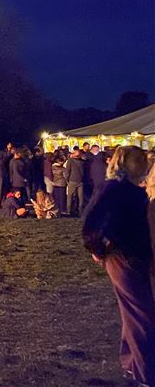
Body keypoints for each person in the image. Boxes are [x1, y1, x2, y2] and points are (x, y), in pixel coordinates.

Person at [83, 146, 155, 386]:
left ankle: (132, 365)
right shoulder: (112, 189)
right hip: (122, 257)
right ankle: (146, 374)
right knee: (141, 316)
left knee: (135, 312)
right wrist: (99, 250)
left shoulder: (134, 190)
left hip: (137, 257)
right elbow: (91, 225)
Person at [64, 147, 86, 216]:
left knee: (69, 196)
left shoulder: (70, 161)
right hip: (80, 181)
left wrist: (67, 180)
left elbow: (67, 172)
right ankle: (80, 211)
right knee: (80, 197)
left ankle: (69, 210)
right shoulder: (82, 162)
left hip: (72, 180)